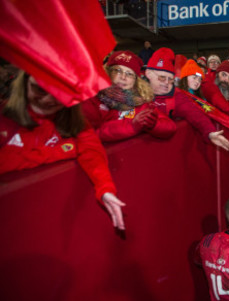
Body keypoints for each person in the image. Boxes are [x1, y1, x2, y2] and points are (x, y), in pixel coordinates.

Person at [0, 71, 125, 230]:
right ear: (24, 83)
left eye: (60, 91)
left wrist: (105, 189)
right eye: (40, 89)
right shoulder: (4, 119)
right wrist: (63, 151)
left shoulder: (75, 120)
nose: (49, 99)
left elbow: (92, 151)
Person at [82, 50, 176, 142]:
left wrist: (154, 124)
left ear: (136, 81)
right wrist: (132, 125)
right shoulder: (93, 99)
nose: (123, 77)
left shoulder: (140, 103)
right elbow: (92, 133)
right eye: (117, 71)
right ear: (108, 72)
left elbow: (170, 127)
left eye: (129, 74)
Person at [174, 59, 229, 151]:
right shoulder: (180, 95)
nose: (197, 81)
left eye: (199, 79)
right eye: (194, 77)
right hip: (185, 143)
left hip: (201, 138)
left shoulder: (200, 96)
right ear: (185, 77)